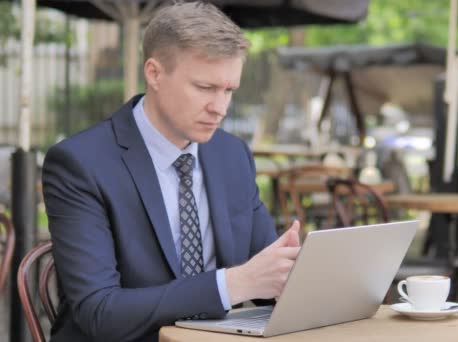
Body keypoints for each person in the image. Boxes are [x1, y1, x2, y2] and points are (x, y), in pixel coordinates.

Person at [41, 2, 300, 341]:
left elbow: (266, 277)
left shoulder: (231, 155)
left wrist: (298, 280)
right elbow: (99, 312)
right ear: (154, 73)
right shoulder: (79, 164)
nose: (220, 108)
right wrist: (234, 284)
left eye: (229, 91)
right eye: (205, 88)